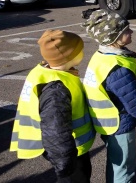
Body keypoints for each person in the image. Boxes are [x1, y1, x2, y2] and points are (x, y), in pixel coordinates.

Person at [10, 30, 95, 183]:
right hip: (69, 151)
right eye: (79, 50)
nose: (82, 52)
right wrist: (65, 164)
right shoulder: (56, 88)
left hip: (69, 148)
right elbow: (56, 130)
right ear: (68, 56)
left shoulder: (45, 73)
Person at [82, 9, 136, 183]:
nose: (131, 32)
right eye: (126, 30)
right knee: (123, 167)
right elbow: (133, 100)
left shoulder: (101, 56)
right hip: (119, 124)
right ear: (114, 38)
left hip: (105, 120)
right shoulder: (117, 68)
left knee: (116, 161)